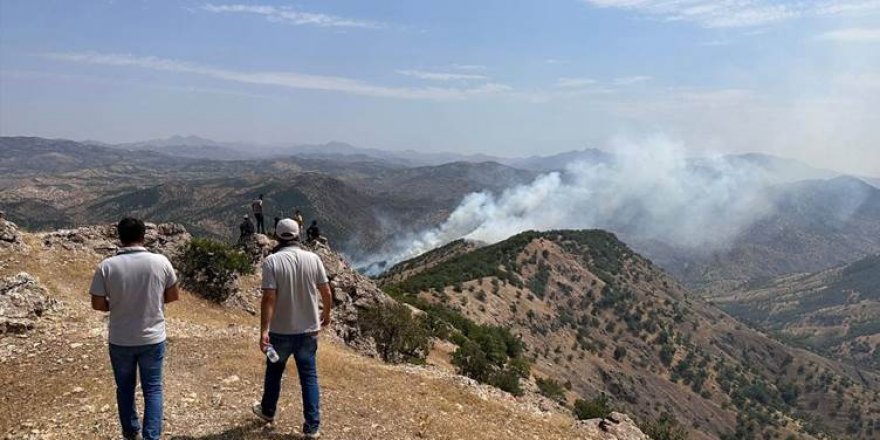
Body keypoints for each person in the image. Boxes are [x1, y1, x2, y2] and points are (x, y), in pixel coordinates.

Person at [89, 217, 180, 440]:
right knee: (153, 389)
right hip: (152, 336)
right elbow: (173, 295)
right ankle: (151, 436)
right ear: (144, 236)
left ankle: (130, 432)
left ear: (119, 237)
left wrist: (118, 303)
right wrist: (150, 302)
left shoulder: (107, 266)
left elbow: (97, 304)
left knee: (125, 389)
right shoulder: (161, 262)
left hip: (120, 338)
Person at [253, 219, 332, 439]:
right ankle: (312, 426)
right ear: (298, 235)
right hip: (308, 330)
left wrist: (264, 331)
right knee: (309, 377)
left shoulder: (271, 261)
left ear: (277, 236)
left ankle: (268, 411)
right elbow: (326, 292)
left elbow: (269, 298)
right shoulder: (313, 258)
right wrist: (326, 315)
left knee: (274, 372)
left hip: (280, 330)